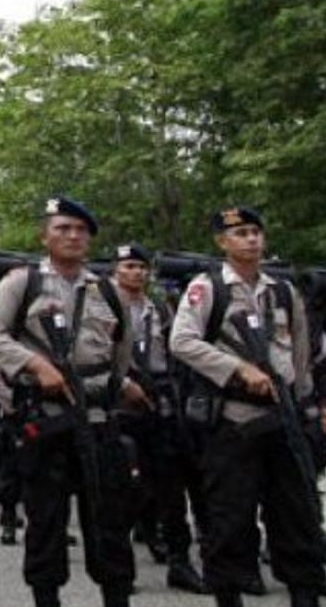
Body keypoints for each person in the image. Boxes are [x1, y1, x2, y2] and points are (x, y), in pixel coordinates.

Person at [0, 196, 143, 607]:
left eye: (80, 230)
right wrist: (34, 365)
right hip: (46, 420)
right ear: (44, 236)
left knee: (109, 523)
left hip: (99, 420)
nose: (72, 236)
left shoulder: (108, 290)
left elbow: (120, 352)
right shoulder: (22, 283)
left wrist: (110, 386)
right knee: (46, 523)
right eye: (62, 228)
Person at [169, 206, 326, 607]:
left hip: (282, 420)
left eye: (256, 231)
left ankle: (304, 594)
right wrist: (237, 369)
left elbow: (301, 353)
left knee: (297, 518)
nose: (251, 239)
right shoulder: (208, 289)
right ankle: (228, 595)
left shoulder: (282, 291)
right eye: (240, 233)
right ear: (222, 242)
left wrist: (306, 403)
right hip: (234, 421)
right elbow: (183, 341)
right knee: (229, 522)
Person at [110, 242, 208, 594]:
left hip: (160, 399)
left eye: (141, 267)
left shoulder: (160, 309)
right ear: (115, 271)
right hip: (120, 403)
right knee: (126, 488)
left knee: (171, 484)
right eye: (129, 267)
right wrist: (122, 383)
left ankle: (180, 562)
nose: (136, 273)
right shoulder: (101, 306)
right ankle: (121, 570)